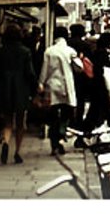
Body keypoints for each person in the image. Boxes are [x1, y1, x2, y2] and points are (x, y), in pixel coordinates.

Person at [0, 25, 36, 165]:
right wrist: (35, 88)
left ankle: (6, 142)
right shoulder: (25, 52)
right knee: (20, 123)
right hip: (20, 90)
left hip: (5, 89)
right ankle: (17, 152)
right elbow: (29, 73)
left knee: (7, 122)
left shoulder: (1, 52)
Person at [80, 32, 110, 149]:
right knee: (108, 114)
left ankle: (82, 137)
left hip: (97, 88)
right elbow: (103, 72)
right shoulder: (102, 54)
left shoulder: (97, 53)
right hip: (101, 88)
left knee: (96, 114)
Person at [38, 26, 79, 155]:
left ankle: (54, 143)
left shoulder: (49, 51)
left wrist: (41, 83)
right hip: (67, 87)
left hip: (52, 86)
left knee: (52, 116)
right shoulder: (71, 51)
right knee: (66, 114)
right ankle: (61, 135)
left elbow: (45, 69)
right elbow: (79, 68)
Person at [68, 24, 93, 128]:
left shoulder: (68, 44)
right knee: (80, 99)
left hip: (69, 74)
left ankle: (69, 120)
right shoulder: (86, 45)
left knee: (69, 99)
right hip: (82, 77)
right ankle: (78, 121)